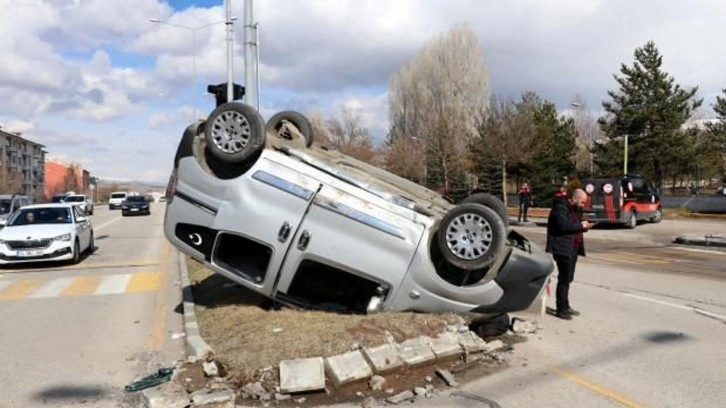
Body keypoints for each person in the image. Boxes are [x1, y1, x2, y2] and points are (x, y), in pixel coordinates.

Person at [546, 188, 595, 320]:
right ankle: (561, 309)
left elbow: (575, 225)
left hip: (573, 248)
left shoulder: (575, 209)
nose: (583, 205)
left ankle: (566, 305)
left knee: (568, 278)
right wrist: (580, 225)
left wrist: (585, 227)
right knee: (564, 278)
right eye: (582, 202)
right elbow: (564, 226)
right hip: (562, 248)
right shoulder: (560, 208)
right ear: (575, 198)